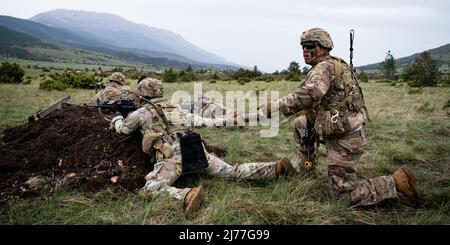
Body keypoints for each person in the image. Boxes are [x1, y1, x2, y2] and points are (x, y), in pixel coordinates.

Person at [261, 28, 421, 206]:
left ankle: (396, 183)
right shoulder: (335, 64)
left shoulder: (323, 68)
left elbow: (311, 93)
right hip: (335, 128)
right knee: (301, 124)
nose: (305, 50)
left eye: (309, 46)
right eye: (303, 47)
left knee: (342, 197)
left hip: (345, 138)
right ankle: (308, 169)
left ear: (323, 48)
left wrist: (273, 107)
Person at [110, 78, 297, 214]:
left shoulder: (141, 113)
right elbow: (197, 120)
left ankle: (187, 196)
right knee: (231, 171)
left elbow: (123, 130)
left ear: (142, 94)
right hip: (196, 150)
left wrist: (117, 117)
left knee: (150, 187)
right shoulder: (176, 108)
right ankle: (275, 168)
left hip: (173, 158)